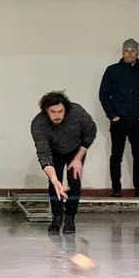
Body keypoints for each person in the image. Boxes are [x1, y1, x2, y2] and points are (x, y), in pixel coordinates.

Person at [31, 91, 97, 235]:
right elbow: (43, 153)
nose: (57, 115)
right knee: (55, 184)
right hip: (54, 151)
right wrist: (54, 178)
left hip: (76, 149)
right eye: (53, 112)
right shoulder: (38, 124)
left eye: (60, 111)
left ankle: (70, 218)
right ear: (46, 111)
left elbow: (91, 131)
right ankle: (57, 217)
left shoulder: (77, 112)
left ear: (65, 109)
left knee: (74, 180)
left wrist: (78, 158)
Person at [98, 37, 139, 198]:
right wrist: (112, 116)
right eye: (126, 50)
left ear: (137, 53)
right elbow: (104, 95)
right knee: (116, 155)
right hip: (119, 120)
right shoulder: (112, 71)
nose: (129, 54)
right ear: (122, 52)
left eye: (132, 51)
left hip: (137, 121)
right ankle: (116, 188)